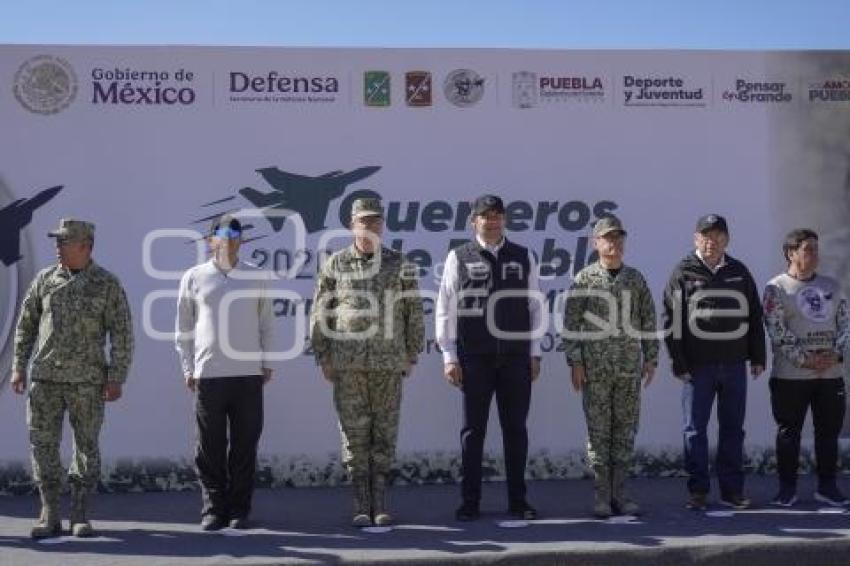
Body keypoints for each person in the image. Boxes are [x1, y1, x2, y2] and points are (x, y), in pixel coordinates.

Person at [11, 218, 133, 539]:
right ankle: (49, 510)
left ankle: (80, 513)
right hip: (46, 379)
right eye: (57, 240)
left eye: (64, 241)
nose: (57, 246)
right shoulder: (44, 280)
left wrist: (116, 376)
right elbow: (26, 326)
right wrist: (18, 366)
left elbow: (122, 333)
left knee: (86, 447)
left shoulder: (106, 284)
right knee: (43, 444)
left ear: (85, 246)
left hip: (87, 382)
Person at [310, 197, 424, 527]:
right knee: (354, 435)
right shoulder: (335, 264)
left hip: (388, 363)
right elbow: (322, 311)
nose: (370, 227)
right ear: (352, 225)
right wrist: (323, 354)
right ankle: (361, 502)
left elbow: (413, 311)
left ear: (382, 225)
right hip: (348, 364)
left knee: (384, 433)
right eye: (363, 221)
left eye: (375, 221)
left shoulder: (400, 263)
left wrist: (411, 353)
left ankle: (380, 501)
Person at [436, 194, 543, 522]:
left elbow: (536, 306)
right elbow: (445, 306)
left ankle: (518, 501)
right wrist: (449, 355)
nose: (492, 221)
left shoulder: (524, 255)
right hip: (475, 359)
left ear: (505, 220)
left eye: (497, 215)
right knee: (473, 432)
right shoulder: (459, 256)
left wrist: (535, 353)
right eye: (485, 216)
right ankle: (470, 502)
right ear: (474, 221)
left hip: (514, 358)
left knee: (516, 431)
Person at [175, 214, 275, 531]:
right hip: (208, 375)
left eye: (236, 234)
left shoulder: (257, 276)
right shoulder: (194, 277)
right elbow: (184, 328)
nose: (230, 239)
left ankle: (238, 510)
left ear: (241, 241)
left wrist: (267, 362)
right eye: (223, 233)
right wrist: (188, 367)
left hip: (247, 375)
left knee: (245, 445)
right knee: (210, 446)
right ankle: (213, 509)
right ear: (210, 241)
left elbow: (266, 323)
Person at [662, 214, 766, 510]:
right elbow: (672, 319)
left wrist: (758, 356)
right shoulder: (683, 272)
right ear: (696, 239)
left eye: (718, 236)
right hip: (698, 367)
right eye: (706, 236)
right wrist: (678, 361)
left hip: (734, 365)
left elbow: (754, 316)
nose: (712, 241)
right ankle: (698, 491)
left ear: (727, 240)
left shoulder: (739, 271)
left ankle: (732, 491)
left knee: (733, 428)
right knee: (695, 429)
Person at [564, 216, 658, 517]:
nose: (614, 243)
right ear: (596, 243)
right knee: (599, 434)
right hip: (596, 371)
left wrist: (651, 357)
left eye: (618, 238)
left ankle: (621, 494)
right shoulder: (584, 280)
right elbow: (571, 325)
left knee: (625, 432)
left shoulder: (635, 279)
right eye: (607, 238)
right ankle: (602, 496)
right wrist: (576, 362)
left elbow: (648, 319)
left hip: (629, 369)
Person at [763, 228, 849, 507]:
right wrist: (805, 359)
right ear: (791, 253)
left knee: (828, 433)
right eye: (807, 249)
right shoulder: (776, 288)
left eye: (816, 249)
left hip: (830, 375)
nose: (814, 255)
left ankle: (827, 486)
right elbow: (777, 330)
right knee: (789, 433)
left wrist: (835, 355)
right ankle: (787, 489)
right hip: (791, 377)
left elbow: (846, 324)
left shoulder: (832, 287)